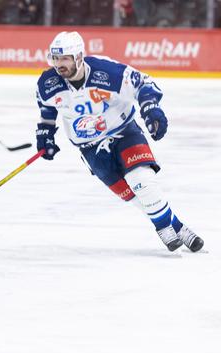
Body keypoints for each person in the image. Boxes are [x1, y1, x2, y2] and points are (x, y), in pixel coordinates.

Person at [35, 31, 204, 252]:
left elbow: (144, 83)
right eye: (55, 59)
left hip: (124, 132)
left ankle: (162, 227)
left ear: (78, 57)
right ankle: (178, 227)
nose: (59, 64)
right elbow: (47, 109)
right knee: (131, 194)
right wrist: (45, 134)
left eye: (64, 58)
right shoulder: (48, 83)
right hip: (89, 148)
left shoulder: (107, 72)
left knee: (141, 180)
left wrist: (150, 108)